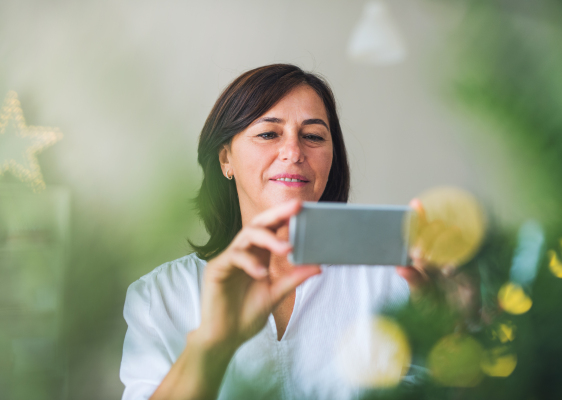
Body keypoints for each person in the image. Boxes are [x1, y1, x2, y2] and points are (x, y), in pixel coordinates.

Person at [120, 64, 429, 400]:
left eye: (312, 136)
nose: (294, 153)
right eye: (269, 134)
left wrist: (452, 326)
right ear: (226, 158)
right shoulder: (159, 297)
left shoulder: (396, 281)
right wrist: (212, 342)